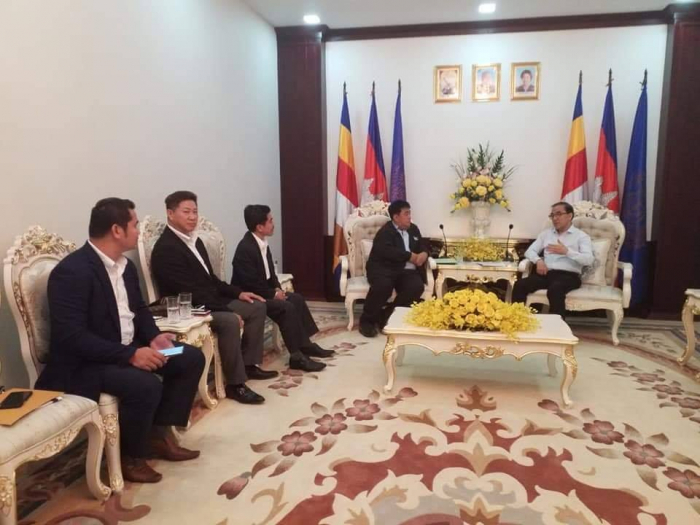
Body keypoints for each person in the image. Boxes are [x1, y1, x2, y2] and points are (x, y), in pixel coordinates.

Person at [36, 198, 205, 484]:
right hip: (87, 364)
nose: (139, 231)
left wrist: (153, 337)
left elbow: (138, 309)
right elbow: (72, 337)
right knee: (145, 385)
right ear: (117, 230)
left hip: (128, 349)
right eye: (135, 225)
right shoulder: (72, 272)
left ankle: (157, 434)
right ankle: (131, 456)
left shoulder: (125, 267)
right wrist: (130, 355)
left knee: (188, 356)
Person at [150, 191, 275, 406]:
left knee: (256, 306)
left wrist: (238, 293)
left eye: (195, 211)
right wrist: (228, 310)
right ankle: (235, 384)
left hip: (210, 300)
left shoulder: (195, 241)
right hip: (189, 308)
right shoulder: (166, 249)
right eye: (186, 212)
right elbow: (188, 291)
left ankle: (249, 365)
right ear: (170, 214)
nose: (192, 217)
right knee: (229, 320)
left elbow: (211, 280)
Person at [232, 205, 331, 372]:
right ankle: (296, 357)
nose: (273, 224)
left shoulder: (262, 242)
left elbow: (271, 273)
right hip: (251, 297)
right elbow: (250, 284)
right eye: (270, 221)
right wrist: (273, 294)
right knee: (286, 307)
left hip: (264, 291)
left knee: (297, 299)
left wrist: (278, 289)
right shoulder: (245, 248)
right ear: (259, 227)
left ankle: (305, 345)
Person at [359, 200, 430, 338]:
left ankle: (387, 314)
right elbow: (388, 252)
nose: (409, 217)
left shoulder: (413, 229)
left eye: (409, 213)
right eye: (406, 214)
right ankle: (367, 321)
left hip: (406, 270)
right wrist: (409, 256)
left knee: (416, 287)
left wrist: (424, 253)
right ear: (396, 217)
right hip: (383, 268)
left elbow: (422, 245)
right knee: (383, 286)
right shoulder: (385, 232)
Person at [512, 201, 594, 318]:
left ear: (569, 216)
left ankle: (558, 326)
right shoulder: (546, 234)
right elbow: (529, 251)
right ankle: (517, 320)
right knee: (520, 285)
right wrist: (538, 261)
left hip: (569, 276)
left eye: (559, 214)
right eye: (552, 215)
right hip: (546, 274)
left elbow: (588, 259)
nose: (555, 218)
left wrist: (567, 252)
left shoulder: (581, 236)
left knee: (555, 289)